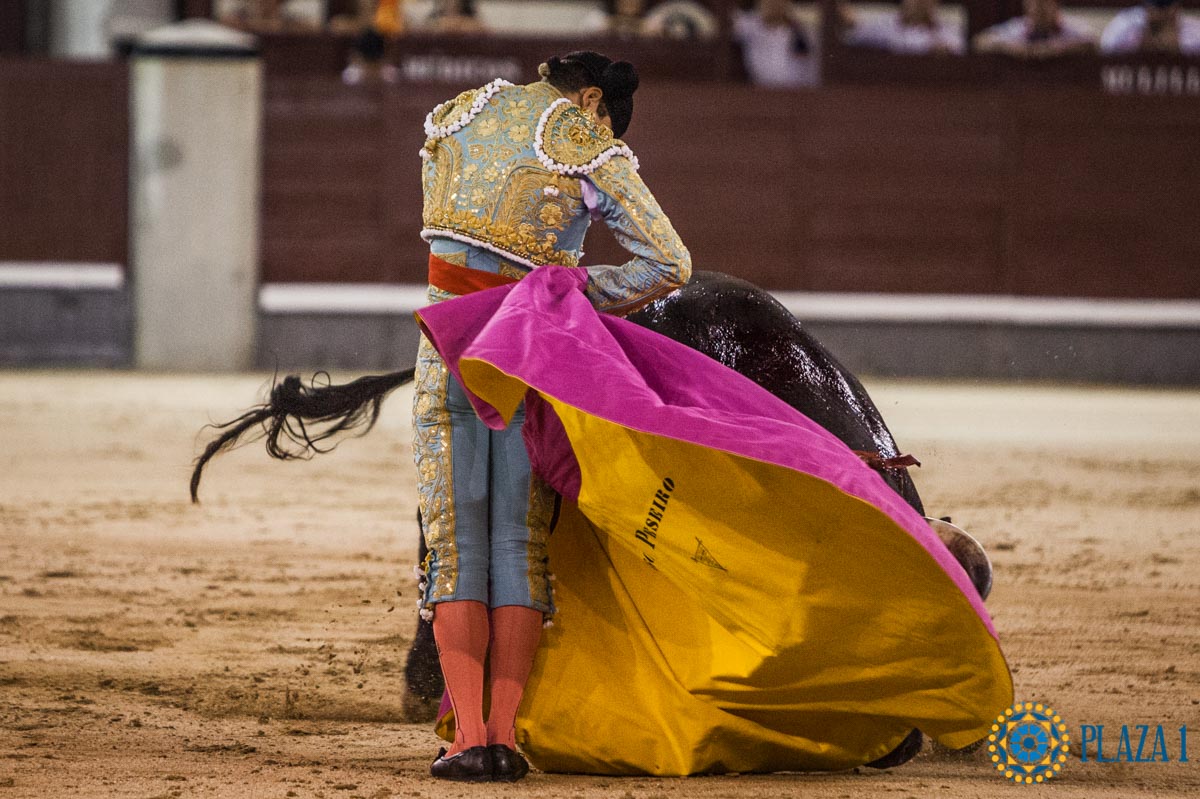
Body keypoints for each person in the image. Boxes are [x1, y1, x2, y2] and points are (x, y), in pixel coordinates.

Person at [414, 51, 691, 781]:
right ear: (592, 99)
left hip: (445, 347)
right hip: (522, 358)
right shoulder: (581, 138)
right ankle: (504, 739)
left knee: (455, 542)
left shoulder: (456, 115)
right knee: (516, 540)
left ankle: (466, 738)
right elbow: (669, 263)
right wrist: (564, 293)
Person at [733, 0, 823, 87]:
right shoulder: (749, 26)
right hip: (762, 91)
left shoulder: (804, 31)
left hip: (802, 92)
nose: (773, 4)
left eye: (778, 1)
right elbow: (728, 20)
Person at [973, 0, 1095, 57]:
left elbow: (1091, 42)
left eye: (1044, 5)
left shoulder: (1068, 27)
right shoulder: (1017, 27)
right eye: (1033, 4)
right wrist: (1014, 48)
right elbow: (980, 41)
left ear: (1055, 6)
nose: (1038, 10)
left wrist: (1055, 48)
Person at [843, 0, 966, 54]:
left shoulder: (947, 31)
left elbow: (958, 46)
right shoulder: (885, 25)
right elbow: (856, 36)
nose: (920, 3)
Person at [1100, 0, 1200, 54]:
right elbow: (1106, 52)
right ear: (1146, 5)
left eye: (1166, 6)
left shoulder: (1195, 30)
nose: (1162, 13)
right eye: (1158, 6)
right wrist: (1139, 48)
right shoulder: (1124, 25)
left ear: (1176, 6)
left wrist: (1178, 50)